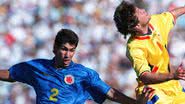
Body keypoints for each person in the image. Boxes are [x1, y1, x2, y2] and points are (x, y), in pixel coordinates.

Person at [0, 29, 153, 104]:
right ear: (55, 49)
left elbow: (111, 93)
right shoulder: (37, 67)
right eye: (64, 49)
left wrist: (135, 103)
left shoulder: (83, 74)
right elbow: (11, 75)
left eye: (72, 50)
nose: (68, 55)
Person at [113, 1, 185, 104]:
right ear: (137, 25)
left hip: (172, 86)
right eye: (139, 12)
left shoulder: (155, 22)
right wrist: (172, 75)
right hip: (152, 92)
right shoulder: (134, 47)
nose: (143, 10)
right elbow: (144, 76)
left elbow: (172, 14)